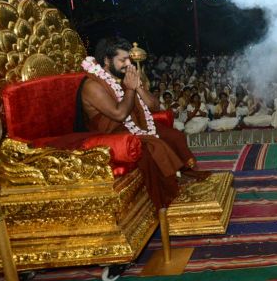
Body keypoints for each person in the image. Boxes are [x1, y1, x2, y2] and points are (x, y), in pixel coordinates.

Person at [78, 37, 209, 210]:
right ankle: (166, 196)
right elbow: (119, 114)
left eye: (129, 59)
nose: (128, 64)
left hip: (135, 125)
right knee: (153, 147)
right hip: (113, 133)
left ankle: (179, 174)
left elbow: (154, 107)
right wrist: (130, 88)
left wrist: (138, 87)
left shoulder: (125, 78)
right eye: (123, 60)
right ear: (107, 61)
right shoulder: (92, 85)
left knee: (174, 136)